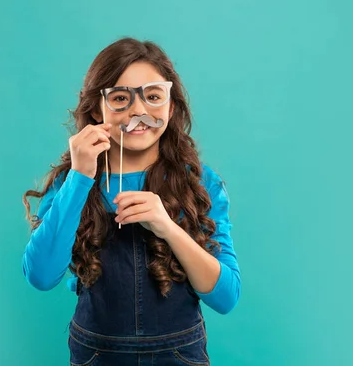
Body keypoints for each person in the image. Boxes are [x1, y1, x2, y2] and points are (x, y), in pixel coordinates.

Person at [22, 37, 241, 365]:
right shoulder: (73, 182)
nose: (139, 111)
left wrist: (167, 227)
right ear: (98, 107)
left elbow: (226, 297)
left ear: (170, 105)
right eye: (121, 98)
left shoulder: (200, 183)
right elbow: (40, 276)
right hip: (97, 355)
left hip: (179, 355)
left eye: (153, 96)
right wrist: (81, 176)